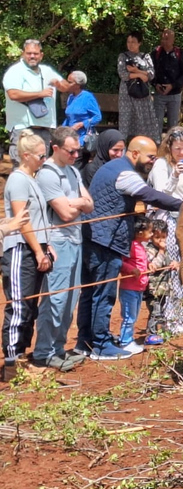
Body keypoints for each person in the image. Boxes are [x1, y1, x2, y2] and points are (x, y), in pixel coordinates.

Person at [76, 137, 183, 360]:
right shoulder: (125, 173)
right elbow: (150, 195)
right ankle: (101, 345)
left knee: (90, 292)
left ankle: (85, 341)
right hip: (105, 240)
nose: (153, 162)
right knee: (102, 294)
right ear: (134, 153)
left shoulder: (113, 168)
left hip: (95, 236)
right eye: (150, 157)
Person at [32, 126, 94, 370]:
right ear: (55, 148)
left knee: (70, 299)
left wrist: (75, 202)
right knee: (55, 300)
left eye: (78, 150)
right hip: (58, 241)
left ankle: (58, 348)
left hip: (76, 240)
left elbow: (90, 205)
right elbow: (66, 214)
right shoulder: (48, 174)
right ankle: (43, 351)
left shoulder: (72, 171)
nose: (75, 155)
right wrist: (78, 204)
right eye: (71, 151)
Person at [2, 130, 54, 376]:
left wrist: (46, 245)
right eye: (41, 156)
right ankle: (11, 362)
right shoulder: (19, 179)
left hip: (35, 247)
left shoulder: (31, 178)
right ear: (26, 155)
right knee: (19, 306)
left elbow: (38, 218)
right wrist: (38, 250)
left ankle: (22, 356)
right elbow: (23, 221)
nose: (44, 160)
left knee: (30, 306)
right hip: (20, 249)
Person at [147, 127, 183, 335]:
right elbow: (161, 195)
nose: (182, 153)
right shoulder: (161, 165)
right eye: (178, 148)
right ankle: (171, 319)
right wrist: (175, 176)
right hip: (166, 220)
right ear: (169, 147)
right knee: (172, 268)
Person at [3, 39, 71, 162]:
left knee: (40, 169)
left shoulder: (47, 70)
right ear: (23, 54)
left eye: (35, 53)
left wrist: (59, 84)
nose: (32, 56)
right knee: (21, 167)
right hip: (23, 129)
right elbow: (13, 94)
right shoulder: (15, 71)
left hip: (44, 129)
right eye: (29, 53)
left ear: (41, 55)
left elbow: (66, 87)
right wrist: (39, 94)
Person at [118, 216, 153, 354]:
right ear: (140, 233)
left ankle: (127, 339)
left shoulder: (140, 246)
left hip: (139, 288)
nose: (151, 235)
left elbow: (141, 262)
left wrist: (150, 265)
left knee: (134, 315)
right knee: (129, 316)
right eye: (149, 232)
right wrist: (131, 270)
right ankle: (125, 341)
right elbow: (121, 262)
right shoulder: (131, 246)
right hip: (129, 288)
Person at [118, 31, 160, 142]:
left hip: (143, 94)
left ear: (139, 43)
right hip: (127, 94)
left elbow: (151, 75)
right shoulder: (123, 56)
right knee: (126, 120)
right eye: (128, 42)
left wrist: (136, 71)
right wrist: (141, 74)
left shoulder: (145, 56)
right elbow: (123, 74)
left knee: (144, 121)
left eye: (133, 42)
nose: (130, 44)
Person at [144, 220, 177, 345]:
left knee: (161, 311)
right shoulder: (150, 250)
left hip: (163, 288)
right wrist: (162, 252)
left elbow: (168, 262)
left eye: (163, 237)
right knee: (155, 312)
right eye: (157, 237)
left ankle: (161, 332)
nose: (160, 240)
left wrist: (174, 264)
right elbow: (154, 266)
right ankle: (150, 334)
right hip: (153, 288)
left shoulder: (165, 249)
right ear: (151, 236)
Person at [151, 29, 183, 133]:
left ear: (173, 40)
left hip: (174, 94)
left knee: (173, 126)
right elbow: (149, 71)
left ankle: (172, 147)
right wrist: (155, 84)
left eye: (167, 39)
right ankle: (157, 147)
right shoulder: (156, 53)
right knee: (156, 125)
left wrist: (173, 86)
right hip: (159, 94)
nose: (164, 41)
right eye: (162, 38)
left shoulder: (179, 53)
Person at [62, 71, 102, 153]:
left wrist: (82, 124)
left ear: (78, 85)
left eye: (70, 82)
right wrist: (61, 131)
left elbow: (97, 117)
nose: (66, 84)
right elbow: (69, 117)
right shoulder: (71, 97)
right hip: (70, 136)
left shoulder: (87, 97)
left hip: (82, 138)